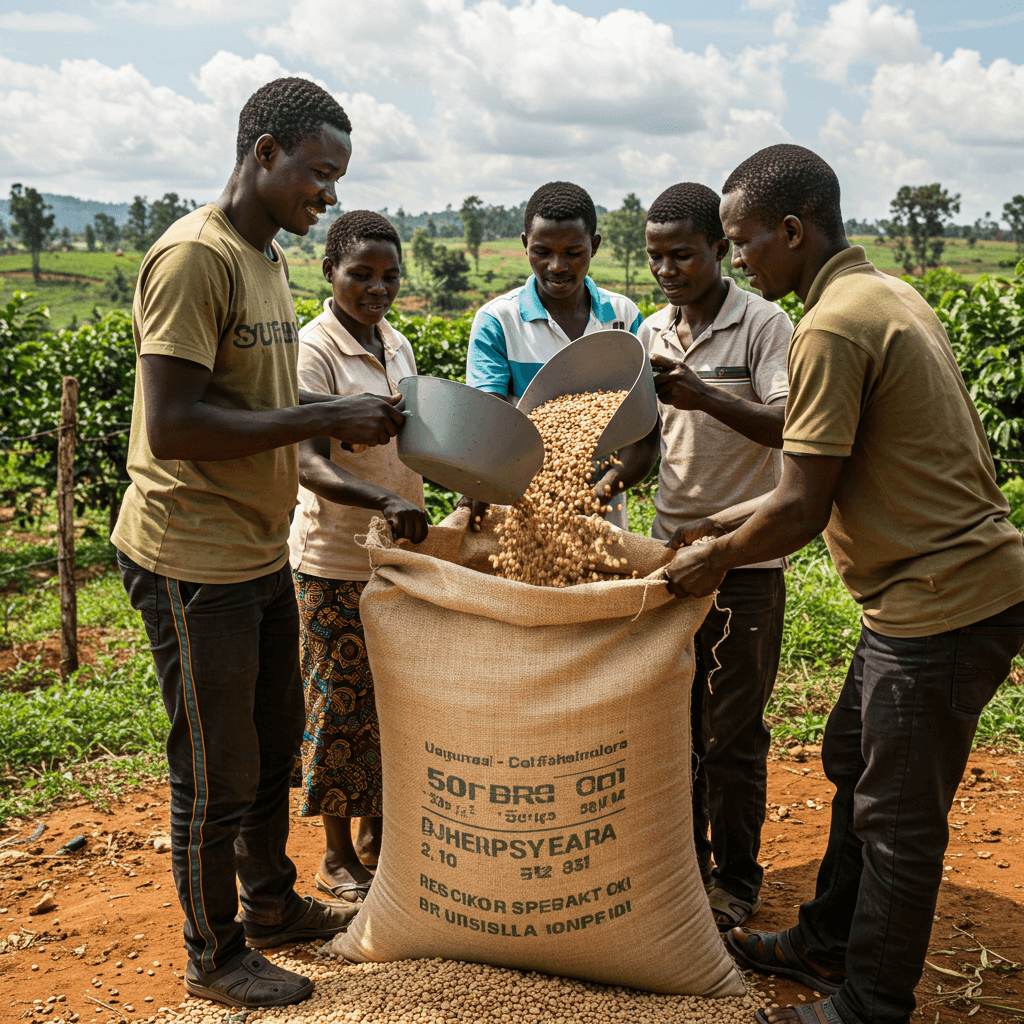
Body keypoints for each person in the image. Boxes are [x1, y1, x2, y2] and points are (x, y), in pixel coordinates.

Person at [664, 144, 1024, 1024]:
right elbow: (810, 450)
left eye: (744, 240)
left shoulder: (829, 324)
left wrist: (710, 557)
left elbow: (795, 507)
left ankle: (869, 1003)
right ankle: (825, 939)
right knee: (852, 758)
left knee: (898, 820)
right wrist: (717, 525)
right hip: (922, 593)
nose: (738, 256)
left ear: (792, 231)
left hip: (941, 600)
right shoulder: (882, 292)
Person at [112, 78, 408, 1010]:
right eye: (320, 174)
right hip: (190, 555)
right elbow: (174, 425)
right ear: (266, 152)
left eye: (338, 179)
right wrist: (324, 414)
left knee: (274, 742)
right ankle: (214, 955)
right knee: (214, 765)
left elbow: (255, 409)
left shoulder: (267, 258)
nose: (328, 194)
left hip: (255, 546)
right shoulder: (195, 259)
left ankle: (272, 906)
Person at [639, 182, 792, 931]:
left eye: (683, 255)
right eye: (656, 257)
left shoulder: (764, 324)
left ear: (718, 249)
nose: (668, 270)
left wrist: (705, 395)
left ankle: (736, 879)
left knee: (729, 732)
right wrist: (604, 472)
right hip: (672, 557)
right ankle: (684, 868)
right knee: (674, 726)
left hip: (745, 562)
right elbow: (646, 439)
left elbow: (791, 427)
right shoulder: (650, 331)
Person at [288, 210, 428, 905]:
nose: (377, 287)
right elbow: (309, 465)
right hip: (335, 559)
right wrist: (383, 501)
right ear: (330, 273)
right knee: (338, 709)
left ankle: (379, 840)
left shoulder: (393, 342)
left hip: (396, 560)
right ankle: (336, 856)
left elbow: (414, 438)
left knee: (391, 707)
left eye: (388, 275)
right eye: (361, 274)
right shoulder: (313, 350)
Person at [463, 180, 658, 530]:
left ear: (594, 246)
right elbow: (491, 422)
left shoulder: (622, 316)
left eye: (573, 252)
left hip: (603, 517)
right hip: (521, 510)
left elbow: (644, 431)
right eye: (542, 252)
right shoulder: (498, 321)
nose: (557, 266)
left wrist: (595, 496)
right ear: (525, 246)